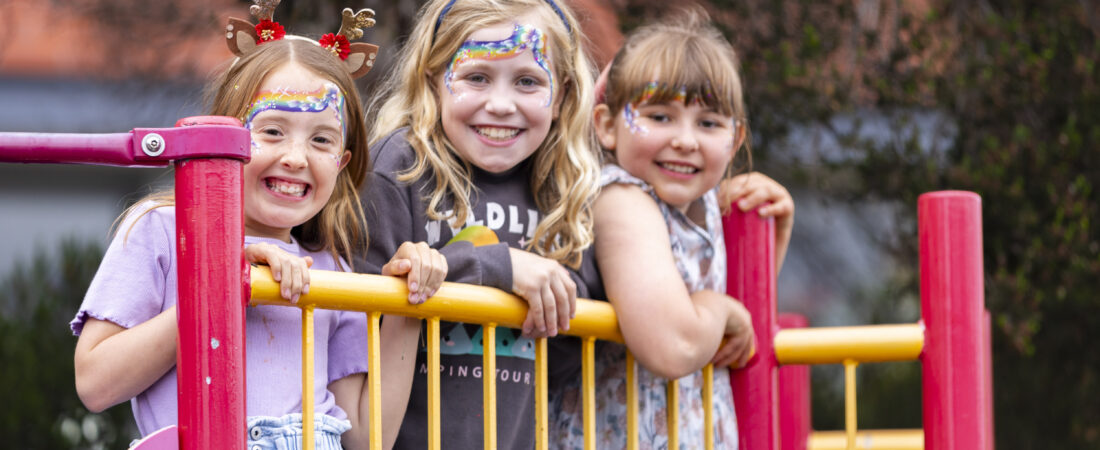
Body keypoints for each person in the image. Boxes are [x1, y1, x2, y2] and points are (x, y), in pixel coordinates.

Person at [71, 8, 447, 449]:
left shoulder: (336, 272)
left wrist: (408, 301)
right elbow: (96, 383)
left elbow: (367, 439)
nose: (296, 157)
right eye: (272, 131)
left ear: (342, 164)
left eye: (322, 140)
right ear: (225, 137)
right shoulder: (163, 231)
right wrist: (224, 286)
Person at [549, 9, 795, 449]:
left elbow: (739, 328)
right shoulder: (622, 200)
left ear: (734, 140)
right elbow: (675, 345)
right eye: (660, 117)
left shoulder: (698, 205)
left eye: (708, 123)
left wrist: (775, 231)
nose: (685, 139)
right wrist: (718, 310)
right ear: (607, 125)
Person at [357, 0, 600, 447]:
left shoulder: (563, 190)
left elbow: (575, 339)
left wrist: (550, 296)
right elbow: (353, 321)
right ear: (433, 79)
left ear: (562, 94)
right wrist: (498, 268)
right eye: (476, 77)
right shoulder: (400, 170)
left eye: (528, 82)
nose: (501, 104)